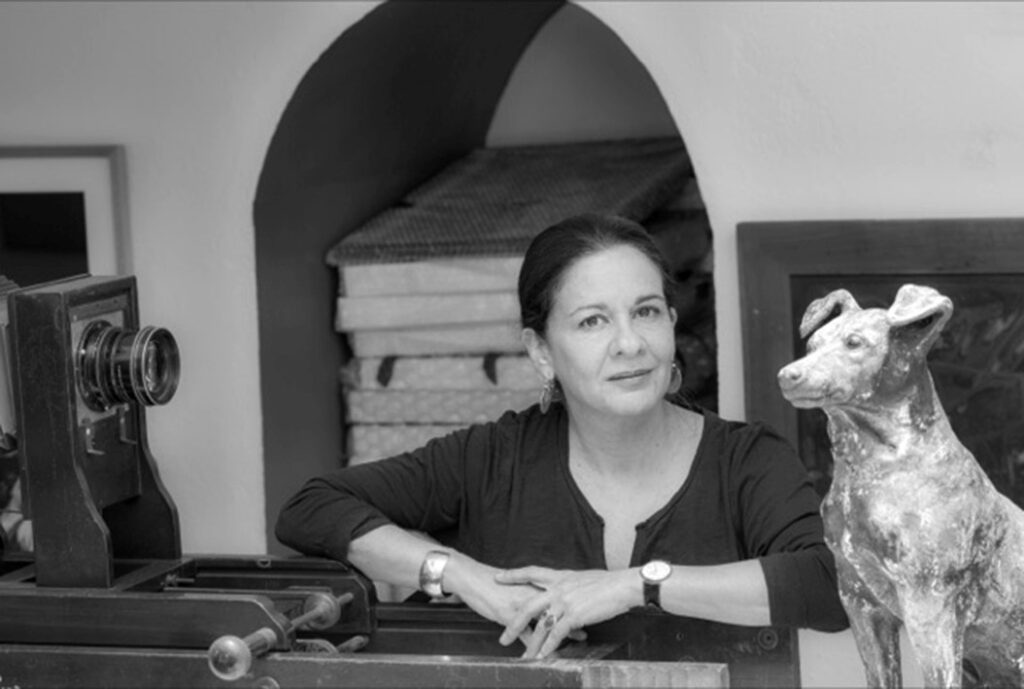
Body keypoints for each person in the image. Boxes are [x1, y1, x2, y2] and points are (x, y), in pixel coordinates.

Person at [276, 212, 848, 659]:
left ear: (672, 325)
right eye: (592, 321)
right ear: (540, 351)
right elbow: (312, 508)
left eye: (646, 312)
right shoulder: (492, 460)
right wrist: (459, 575)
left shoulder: (747, 461)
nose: (630, 344)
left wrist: (635, 586)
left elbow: (828, 588)